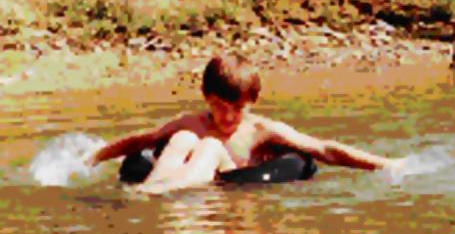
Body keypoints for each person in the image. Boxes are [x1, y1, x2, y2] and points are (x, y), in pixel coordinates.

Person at [87, 54, 398, 193]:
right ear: (206, 98)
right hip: (180, 188)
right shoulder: (190, 123)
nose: (228, 117)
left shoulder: (260, 130)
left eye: (237, 108)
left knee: (209, 145)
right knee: (183, 139)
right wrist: (93, 157)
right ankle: (153, 188)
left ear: (252, 104)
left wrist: (386, 164)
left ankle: (158, 192)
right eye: (219, 107)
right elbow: (141, 141)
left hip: (218, 198)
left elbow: (323, 149)